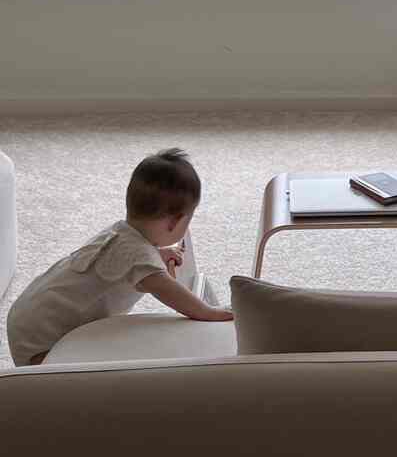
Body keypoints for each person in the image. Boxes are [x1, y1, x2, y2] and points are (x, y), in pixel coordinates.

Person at [6, 147, 232, 366]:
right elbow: (167, 290)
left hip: (25, 318)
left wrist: (158, 254)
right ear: (174, 222)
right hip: (42, 345)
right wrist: (208, 312)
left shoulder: (119, 232)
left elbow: (129, 260)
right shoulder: (141, 258)